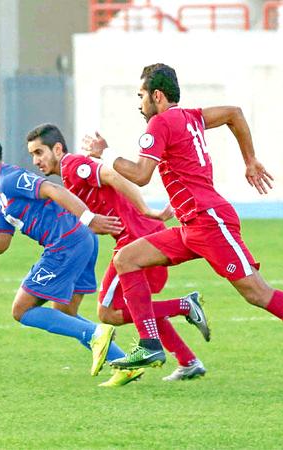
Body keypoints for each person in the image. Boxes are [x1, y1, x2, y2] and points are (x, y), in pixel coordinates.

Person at [83, 63, 283, 369]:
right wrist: (249, 160)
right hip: (190, 225)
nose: (139, 103)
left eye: (141, 95)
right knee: (126, 259)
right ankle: (150, 344)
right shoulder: (191, 117)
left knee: (258, 293)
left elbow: (141, 175)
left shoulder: (159, 124)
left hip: (209, 221)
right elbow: (233, 113)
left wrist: (105, 153)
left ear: (157, 95)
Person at [0, 134, 143, 386]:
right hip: (81, 241)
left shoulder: (10, 178)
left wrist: (88, 218)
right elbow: (0, 242)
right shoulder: (0, 197)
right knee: (65, 313)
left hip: (66, 243)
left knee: (21, 310)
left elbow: (52, 189)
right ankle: (124, 364)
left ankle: (95, 333)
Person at [26, 123, 210, 382]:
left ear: (57, 149)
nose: (35, 160)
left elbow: (113, 175)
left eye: (39, 152)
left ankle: (184, 305)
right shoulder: (69, 177)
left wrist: (145, 208)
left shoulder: (71, 165)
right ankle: (188, 361)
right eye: (32, 155)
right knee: (139, 305)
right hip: (142, 235)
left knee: (108, 312)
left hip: (135, 240)